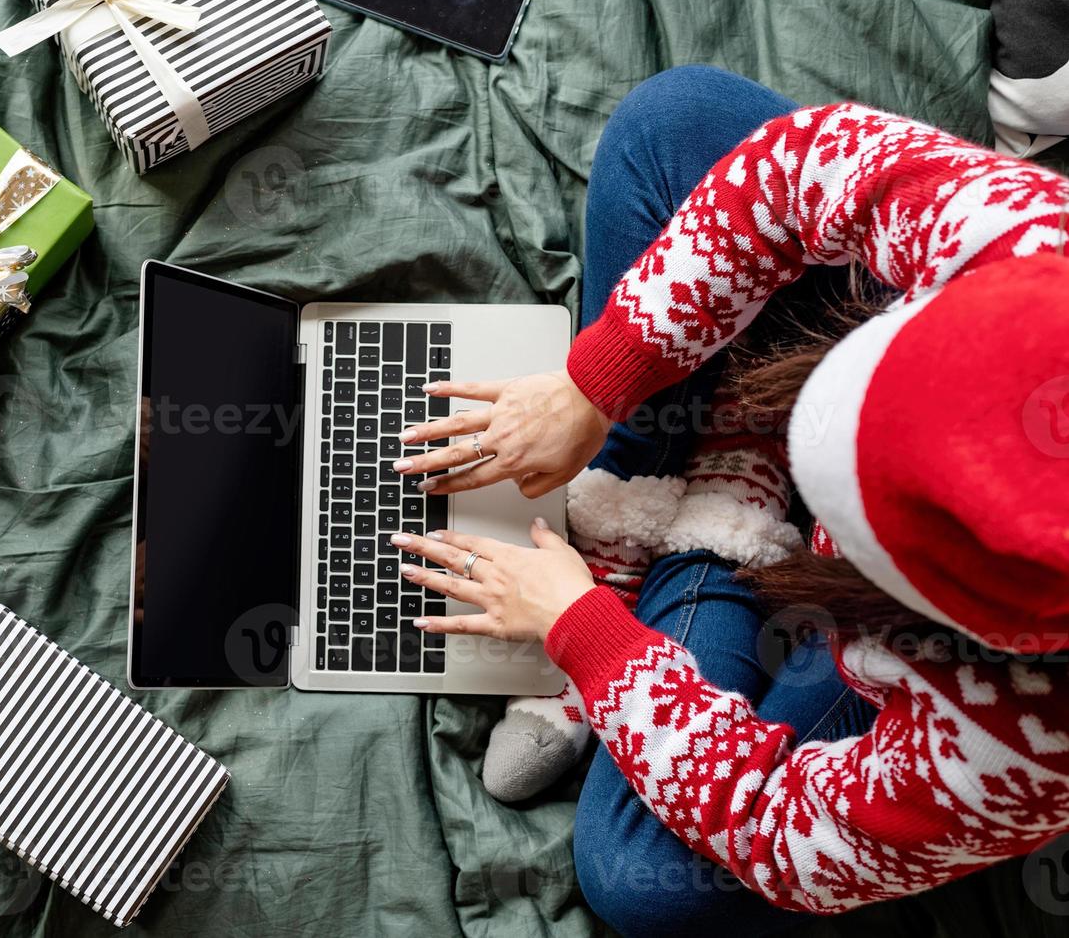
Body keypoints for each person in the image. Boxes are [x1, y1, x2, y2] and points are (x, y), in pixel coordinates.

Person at [385, 65, 1069, 936]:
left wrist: (588, 639)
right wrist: (594, 386)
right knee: (678, 120)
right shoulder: (1029, 240)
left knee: (645, 883)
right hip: (868, 350)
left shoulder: (1025, 747)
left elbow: (784, 831)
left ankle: (692, 512)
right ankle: (683, 467)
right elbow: (791, 166)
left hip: (900, 661)